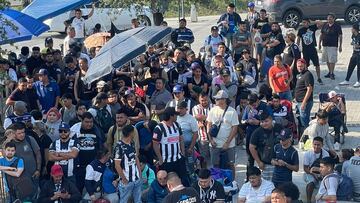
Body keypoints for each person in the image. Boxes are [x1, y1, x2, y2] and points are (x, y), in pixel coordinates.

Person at [152, 107, 189, 186]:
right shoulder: (159, 128)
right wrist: (160, 158)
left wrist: (183, 153)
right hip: (166, 161)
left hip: (178, 159)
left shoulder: (177, 125)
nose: (177, 116)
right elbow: (155, 144)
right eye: (175, 115)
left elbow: (181, 139)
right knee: (167, 182)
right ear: (171, 116)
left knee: (184, 179)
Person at [207, 90, 239, 177]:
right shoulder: (212, 110)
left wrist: (227, 143)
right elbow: (209, 124)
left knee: (230, 164)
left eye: (218, 99)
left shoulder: (232, 111)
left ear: (224, 100)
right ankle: (218, 182)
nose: (216, 101)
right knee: (215, 165)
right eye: (216, 99)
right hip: (214, 144)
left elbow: (235, 128)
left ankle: (232, 183)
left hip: (229, 145)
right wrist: (210, 140)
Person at [72, 112, 103, 194]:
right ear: (81, 121)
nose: (89, 124)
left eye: (91, 122)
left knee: (94, 189)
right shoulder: (75, 131)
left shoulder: (97, 131)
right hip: (79, 166)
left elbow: (101, 147)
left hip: (93, 166)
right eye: (86, 122)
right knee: (78, 189)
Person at [10, 122, 41, 201]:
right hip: (19, 179)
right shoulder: (10, 144)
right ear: (13, 133)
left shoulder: (30, 139)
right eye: (19, 133)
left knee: (35, 198)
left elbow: (38, 154)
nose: (22, 135)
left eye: (23, 132)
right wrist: (8, 140)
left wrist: (38, 169)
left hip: (33, 175)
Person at [249, 111, 282, 181]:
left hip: (280, 163)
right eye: (262, 122)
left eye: (266, 121)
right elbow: (251, 147)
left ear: (271, 119)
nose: (264, 124)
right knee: (267, 185)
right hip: (266, 164)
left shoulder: (279, 128)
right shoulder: (257, 132)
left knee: (280, 185)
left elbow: (287, 140)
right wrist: (259, 162)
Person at [114, 124, 142, 203]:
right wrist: (124, 179)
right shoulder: (119, 147)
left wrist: (139, 173)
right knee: (124, 201)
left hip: (136, 179)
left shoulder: (132, 143)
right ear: (131, 133)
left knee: (138, 201)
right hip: (126, 181)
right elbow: (117, 165)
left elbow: (136, 158)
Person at [303, 137, 330, 203]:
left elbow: (327, 168)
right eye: (315, 144)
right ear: (312, 144)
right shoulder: (307, 154)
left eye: (318, 145)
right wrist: (313, 174)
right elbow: (305, 168)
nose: (316, 146)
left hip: (322, 172)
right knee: (311, 183)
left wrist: (321, 174)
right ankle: (308, 201)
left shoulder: (326, 154)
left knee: (326, 185)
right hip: (309, 172)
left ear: (322, 145)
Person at [297, 18, 323, 84]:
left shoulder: (312, 27)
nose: (304, 24)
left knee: (317, 64)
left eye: (305, 22)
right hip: (305, 50)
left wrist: (313, 21)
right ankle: (305, 77)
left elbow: (321, 23)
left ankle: (319, 78)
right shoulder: (301, 30)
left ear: (308, 23)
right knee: (305, 65)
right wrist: (297, 47)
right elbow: (298, 39)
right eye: (303, 22)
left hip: (312, 49)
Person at [176, 101, 198, 176]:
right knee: (181, 165)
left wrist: (191, 147)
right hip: (178, 147)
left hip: (188, 146)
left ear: (186, 109)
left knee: (190, 165)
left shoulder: (191, 119)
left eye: (182, 108)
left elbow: (195, 134)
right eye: (178, 108)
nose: (180, 110)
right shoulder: (175, 118)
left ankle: (192, 179)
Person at [319, 13, 343, 80]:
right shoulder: (325, 25)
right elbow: (321, 34)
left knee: (332, 60)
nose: (328, 20)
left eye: (330, 18)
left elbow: (340, 36)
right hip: (325, 45)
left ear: (333, 19)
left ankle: (332, 73)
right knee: (327, 59)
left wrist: (340, 46)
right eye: (327, 19)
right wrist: (319, 44)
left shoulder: (337, 26)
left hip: (333, 45)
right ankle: (329, 72)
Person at [192, 92, 213, 166]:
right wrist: (209, 118)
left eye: (205, 100)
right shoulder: (195, 108)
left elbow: (215, 119)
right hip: (202, 137)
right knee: (204, 159)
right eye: (202, 100)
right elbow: (197, 117)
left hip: (214, 137)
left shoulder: (213, 106)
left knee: (214, 159)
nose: (204, 102)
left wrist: (204, 119)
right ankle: (204, 175)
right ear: (199, 99)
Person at [295, 58, 314, 132]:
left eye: (301, 66)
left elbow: (309, 89)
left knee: (305, 122)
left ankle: (308, 137)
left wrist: (304, 102)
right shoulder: (300, 74)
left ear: (305, 66)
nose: (299, 68)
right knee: (300, 121)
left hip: (305, 102)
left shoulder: (307, 75)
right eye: (298, 66)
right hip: (299, 102)